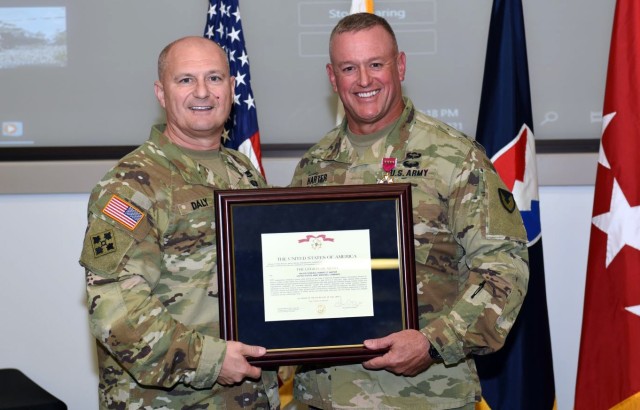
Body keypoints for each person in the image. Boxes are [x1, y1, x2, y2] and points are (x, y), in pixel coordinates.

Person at [289, 13, 529, 409]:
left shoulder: (455, 158)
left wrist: (434, 342)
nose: (364, 80)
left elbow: (505, 268)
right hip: (323, 397)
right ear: (333, 78)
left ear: (399, 65)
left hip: (425, 396)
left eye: (376, 64)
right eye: (350, 68)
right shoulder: (314, 165)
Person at [79, 36, 279, 409]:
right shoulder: (129, 187)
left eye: (215, 78)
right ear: (161, 92)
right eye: (185, 80)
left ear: (231, 88)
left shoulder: (244, 172)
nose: (202, 92)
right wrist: (211, 360)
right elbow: (114, 308)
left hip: (251, 396)